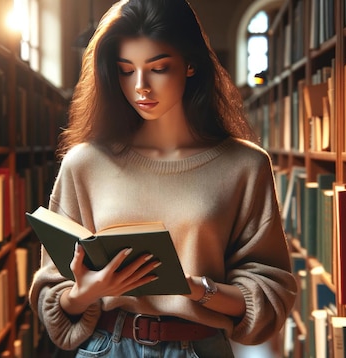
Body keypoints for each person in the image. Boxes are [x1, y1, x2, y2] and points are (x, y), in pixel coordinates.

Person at [29, 0, 297, 356]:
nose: (140, 86)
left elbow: (272, 289)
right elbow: (52, 294)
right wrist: (88, 291)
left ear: (190, 65)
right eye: (126, 70)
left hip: (200, 346)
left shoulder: (245, 165)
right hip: (106, 347)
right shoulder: (84, 163)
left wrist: (198, 289)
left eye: (158, 68)